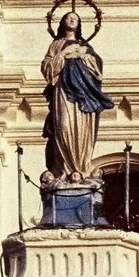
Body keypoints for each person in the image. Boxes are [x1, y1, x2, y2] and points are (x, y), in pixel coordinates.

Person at [42, 12, 113, 184]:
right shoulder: (56, 45)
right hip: (63, 90)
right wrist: (63, 54)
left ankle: (79, 170)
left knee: (82, 130)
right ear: (62, 22)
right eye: (68, 17)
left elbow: (98, 68)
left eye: (76, 18)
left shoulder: (85, 46)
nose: (72, 19)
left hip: (84, 92)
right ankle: (64, 169)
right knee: (64, 126)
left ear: (79, 24)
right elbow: (47, 67)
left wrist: (83, 55)